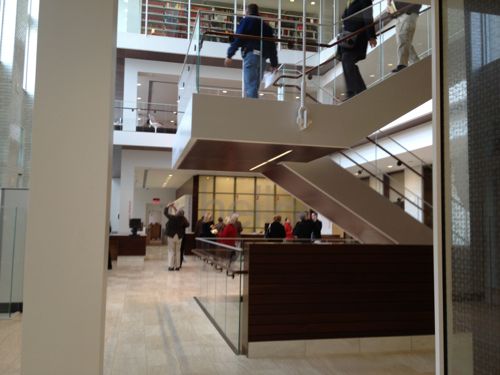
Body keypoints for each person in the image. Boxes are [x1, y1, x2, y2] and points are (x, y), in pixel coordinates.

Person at [224, 3, 279, 98]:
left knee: (250, 86)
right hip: (262, 58)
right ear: (258, 12)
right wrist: (274, 63)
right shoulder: (266, 26)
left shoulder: (246, 21)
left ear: (247, 12)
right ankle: (253, 108)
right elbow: (272, 46)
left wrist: (230, 55)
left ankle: (252, 110)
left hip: (251, 55)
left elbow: (238, 38)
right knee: (254, 87)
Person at [340, 0, 377, 99]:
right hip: (347, 38)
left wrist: (371, 36)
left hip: (357, 38)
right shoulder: (350, 3)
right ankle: (361, 91)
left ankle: (352, 91)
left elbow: (368, 17)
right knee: (347, 61)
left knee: (347, 59)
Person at [388, 1, 422, 73]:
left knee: (403, 40)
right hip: (400, 18)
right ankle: (417, 64)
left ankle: (402, 65)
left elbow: (418, 4)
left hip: (407, 15)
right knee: (406, 43)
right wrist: (389, 3)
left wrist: (406, 11)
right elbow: (391, 15)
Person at [164, 203, 190, 271]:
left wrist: (168, 206)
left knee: (171, 251)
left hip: (171, 236)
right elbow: (187, 224)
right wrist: (180, 213)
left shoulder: (172, 217)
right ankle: (177, 266)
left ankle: (171, 266)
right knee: (178, 251)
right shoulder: (182, 219)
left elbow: (165, 213)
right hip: (179, 237)